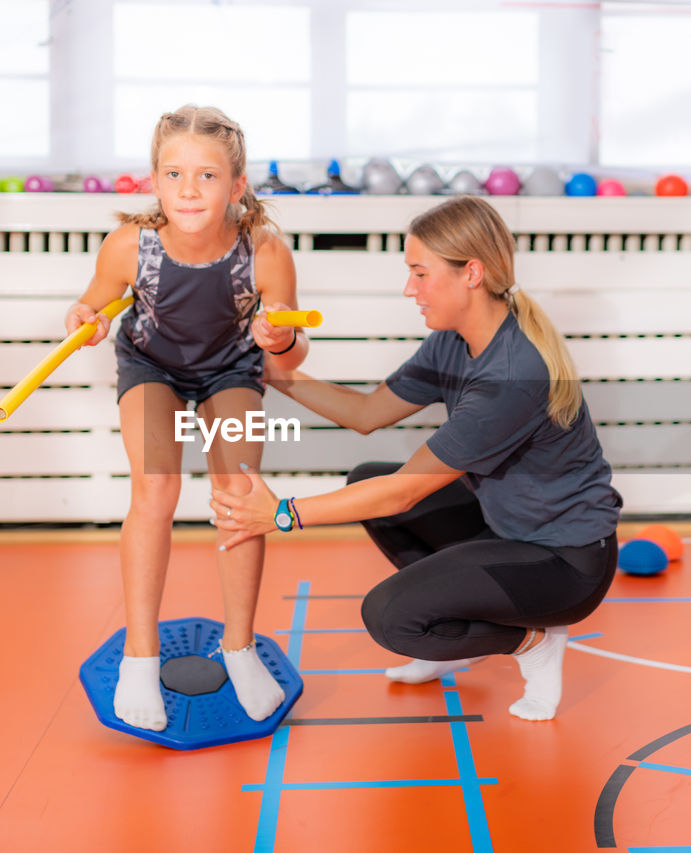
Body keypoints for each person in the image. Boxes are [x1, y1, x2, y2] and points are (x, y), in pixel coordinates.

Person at [210, 195, 621, 720]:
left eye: (420, 273)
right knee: (367, 481)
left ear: (470, 273)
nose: (410, 289)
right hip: (508, 529)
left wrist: (281, 514)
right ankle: (455, 628)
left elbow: (407, 488)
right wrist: (270, 371)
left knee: (391, 617)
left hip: (565, 563)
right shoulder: (455, 340)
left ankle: (533, 643)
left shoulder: (513, 376)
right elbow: (365, 412)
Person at [67, 105, 309, 731]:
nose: (188, 190)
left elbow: (292, 348)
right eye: (173, 174)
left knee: (241, 493)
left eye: (207, 176)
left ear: (237, 184)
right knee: (155, 489)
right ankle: (140, 658)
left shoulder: (265, 251)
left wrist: (276, 337)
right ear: (153, 179)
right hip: (152, 369)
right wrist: (85, 320)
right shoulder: (129, 245)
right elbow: (92, 303)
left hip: (231, 370)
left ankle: (240, 645)